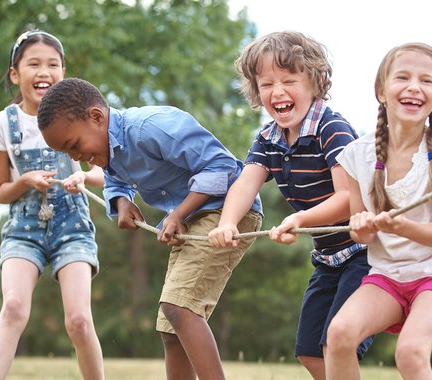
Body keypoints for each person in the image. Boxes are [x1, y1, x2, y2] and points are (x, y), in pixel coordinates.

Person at [37, 77, 263, 380]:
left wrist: (179, 213)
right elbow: (115, 178)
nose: (75, 157)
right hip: (194, 219)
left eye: (74, 145)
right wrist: (120, 202)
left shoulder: (151, 127)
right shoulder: (110, 148)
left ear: (96, 117)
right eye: (67, 153)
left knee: (179, 308)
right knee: (171, 329)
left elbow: (222, 166)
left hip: (227, 212)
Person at [207, 31, 372, 380]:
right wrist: (227, 222)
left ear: (317, 81)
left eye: (288, 80)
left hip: (365, 253)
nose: (277, 92)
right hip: (329, 259)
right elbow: (245, 183)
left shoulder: (333, 129)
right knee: (310, 352)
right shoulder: (268, 139)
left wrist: (299, 218)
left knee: (336, 343)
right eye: (266, 83)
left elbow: (348, 199)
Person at [326, 42, 432, 380]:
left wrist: (401, 227)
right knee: (339, 333)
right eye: (402, 77)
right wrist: (361, 227)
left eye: (426, 81)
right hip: (388, 275)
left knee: (410, 352)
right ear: (381, 90)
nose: (413, 87)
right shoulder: (355, 156)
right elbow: (360, 232)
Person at [0, 30, 105, 380]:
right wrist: (24, 181)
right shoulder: (3, 124)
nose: (44, 72)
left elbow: (103, 173)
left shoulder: (83, 115)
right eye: (33, 64)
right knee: (14, 308)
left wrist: (83, 177)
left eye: (53, 64)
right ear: (15, 74)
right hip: (24, 226)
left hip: (72, 225)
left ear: (64, 72)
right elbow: (2, 191)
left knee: (79, 320)